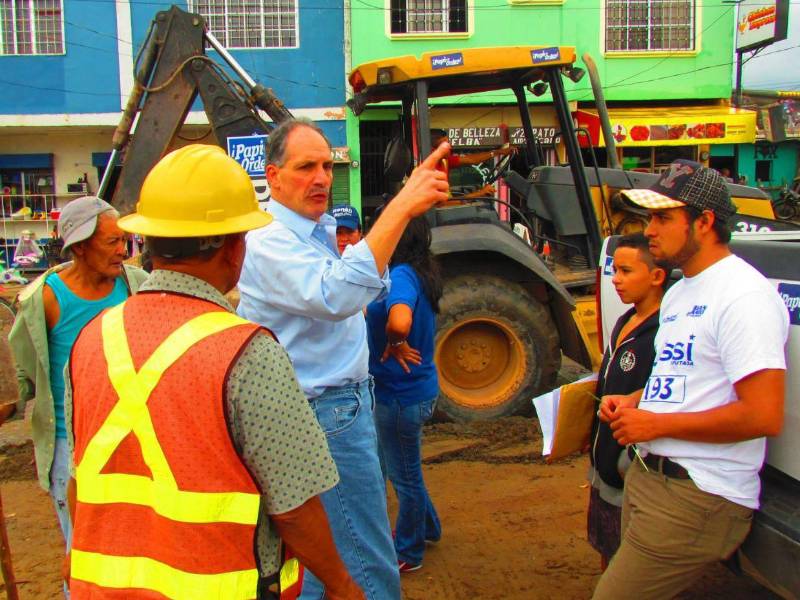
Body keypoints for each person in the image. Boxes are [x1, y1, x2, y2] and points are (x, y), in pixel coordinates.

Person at [64, 145, 363, 600]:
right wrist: (341, 585)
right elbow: (295, 507)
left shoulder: (91, 339)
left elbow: (79, 477)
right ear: (232, 246)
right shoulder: (246, 351)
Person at [237, 118, 450, 600]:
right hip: (325, 412)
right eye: (306, 167)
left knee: (324, 555)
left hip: (336, 406)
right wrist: (403, 205)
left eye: (327, 166)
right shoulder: (270, 241)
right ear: (271, 176)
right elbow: (336, 295)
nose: (321, 178)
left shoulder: (316, 231)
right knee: (366, 559)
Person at [593, 160, 789, 599]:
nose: (649, 231)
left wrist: (656, 425)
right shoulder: (681, 291)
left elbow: (762, 414)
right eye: (649, 218)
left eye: (664, 218)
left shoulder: (743, 297)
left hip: (699, 492)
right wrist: (636, 401)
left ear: (704, 222)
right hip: (653, 477)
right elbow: (685, 376)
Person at [7, 196, 147, 582]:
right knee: (84, 557)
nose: (123, 251)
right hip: (71, 444)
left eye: (125, 241)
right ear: (80, 245)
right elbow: (23, 373)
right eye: (111, 242)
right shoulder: (44, 300)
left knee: (135, 553)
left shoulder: (137, 287)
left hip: (133, 440)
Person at [366, 215, 443, 574]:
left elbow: (399, 320)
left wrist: (396, 340)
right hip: (417, 389)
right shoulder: (419, 271)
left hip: (399, 395)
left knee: (404, 475)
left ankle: (409, 552)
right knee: (407, 467)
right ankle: (428, 527)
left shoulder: (400, 277)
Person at [587, 233, 666, 570]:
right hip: (603, 462)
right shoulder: (625, 321)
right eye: (614, 270)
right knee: (607, 546)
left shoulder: (665, 333)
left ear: (657, 276)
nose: (615, 280)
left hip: (629, 469)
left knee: (630, 561)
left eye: (626, 271)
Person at [430, 128, 515, 197]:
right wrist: (479, 193)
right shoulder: (431, 173)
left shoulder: (445, 161)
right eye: (446, 144)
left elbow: (471, 159)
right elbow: (444, 206)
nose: (450, 147)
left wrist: (498, 152)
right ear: (434, 149)